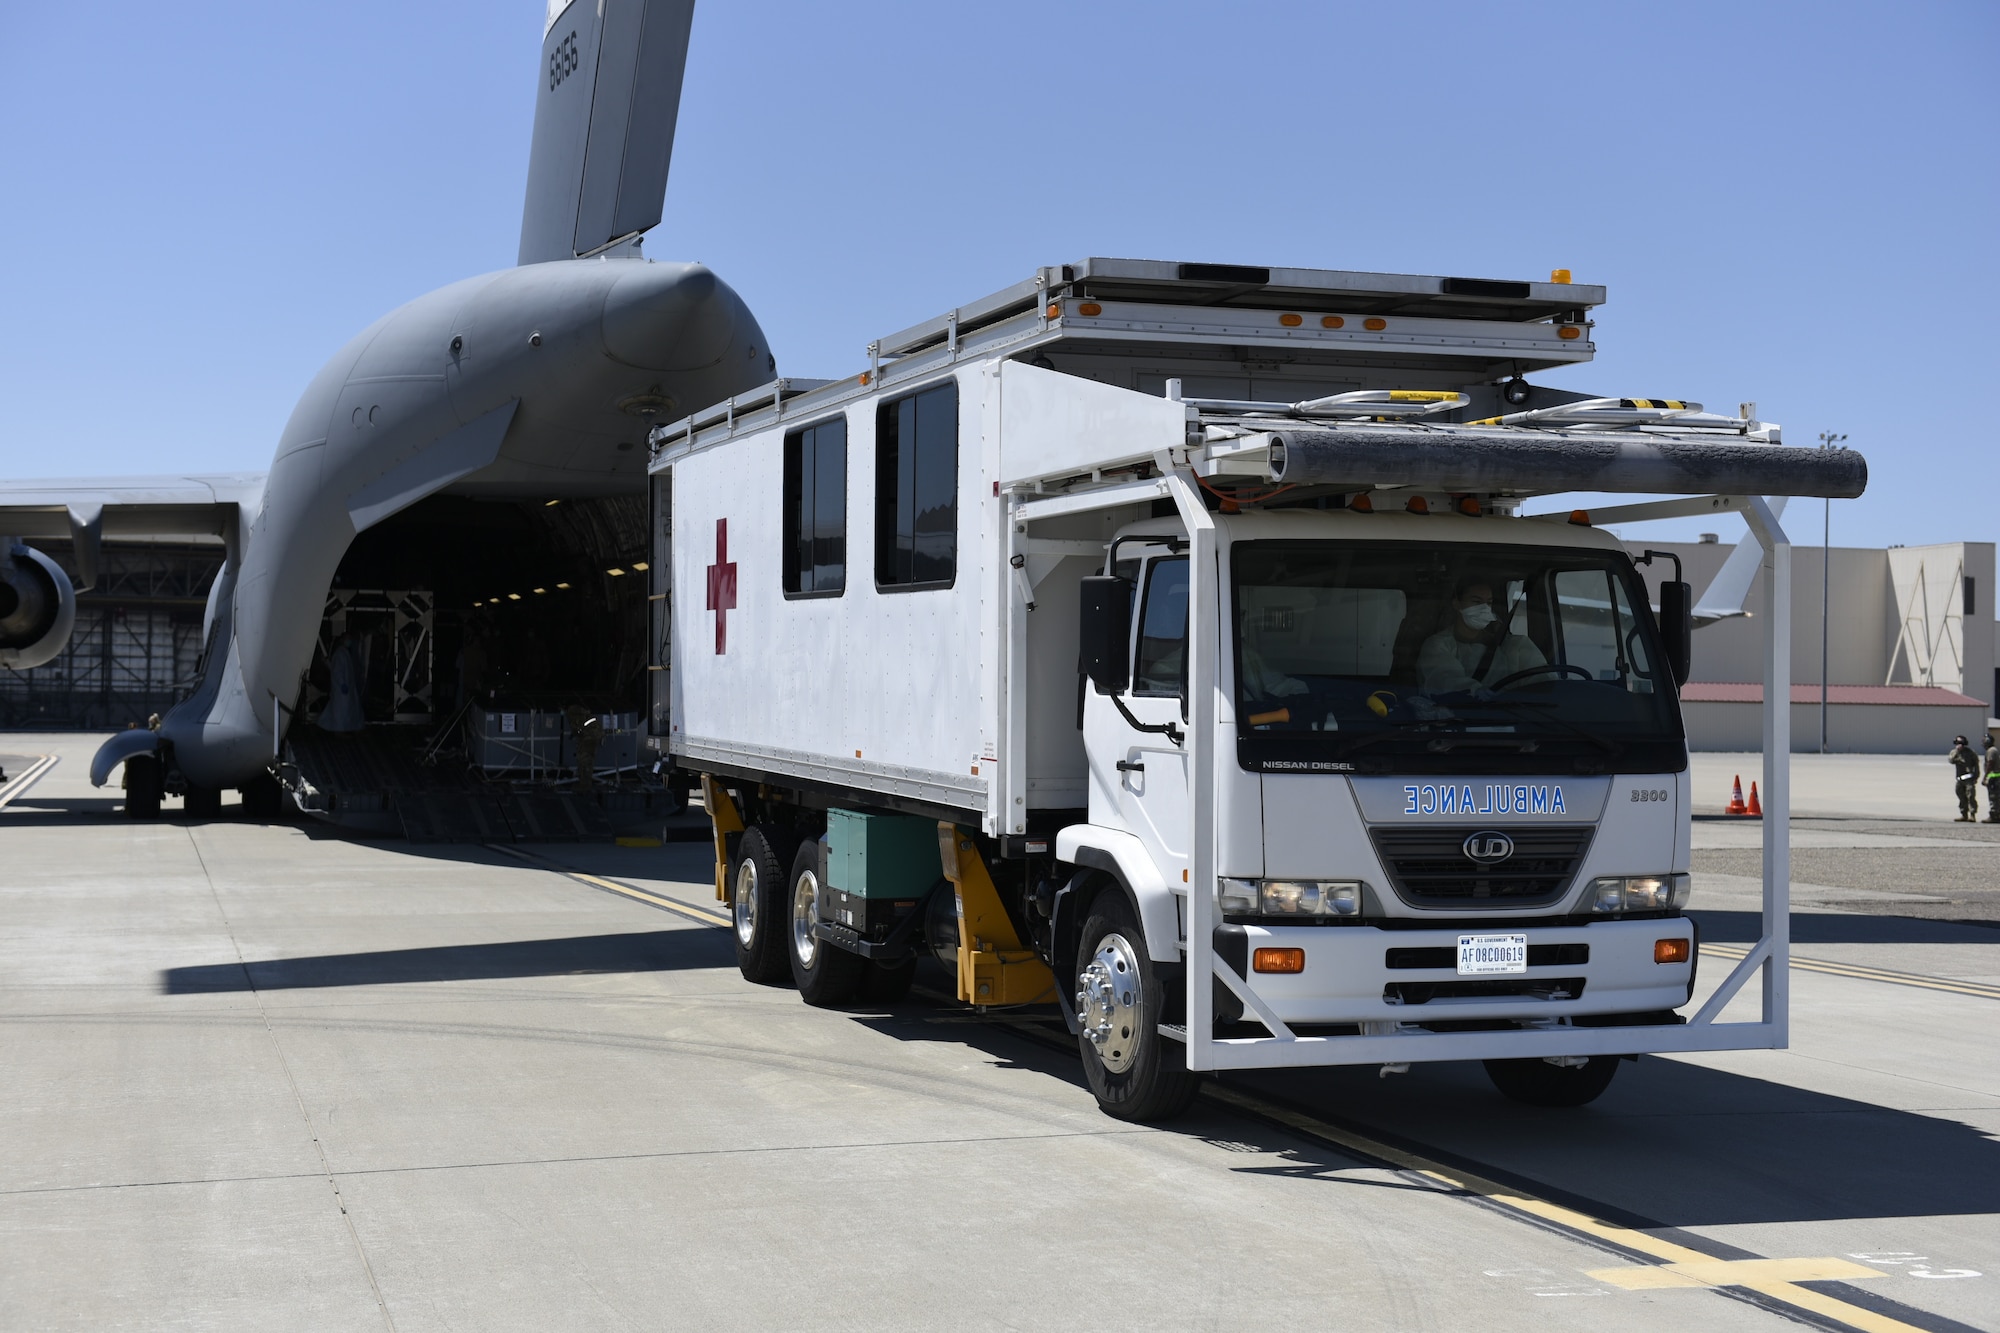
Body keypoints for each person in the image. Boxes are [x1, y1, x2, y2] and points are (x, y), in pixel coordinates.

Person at [1418, 577, 1546, 695]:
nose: (1484, 608)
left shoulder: (1515, 645)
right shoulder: (1438, 645)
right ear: (1457, 604)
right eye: (1476, 601)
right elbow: (1447, 681)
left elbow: (1544, 683)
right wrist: (1481, 694)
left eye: (1488, 603)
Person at [1948, 734, 1980, 822]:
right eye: (1958, 743)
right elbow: (1951, 760)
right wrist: (1957, 752)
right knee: (1961, 796)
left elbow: (1976, 765)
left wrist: (1976, 776)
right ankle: (1964, 814)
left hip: (1969, 778)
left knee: (1971, 796)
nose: (1960, 745)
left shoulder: (1971, 753)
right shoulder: (1954, 752)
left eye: (1961, 743)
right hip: (1959, 779)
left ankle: (1972, 815)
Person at [1984, 732, 2000, 824]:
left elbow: (1990, 763)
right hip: (1995, 777)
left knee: (1993, 797)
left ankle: (1994, 816)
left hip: (1994, 778)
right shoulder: (1994, 750)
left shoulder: (1991, 751)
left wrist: (1985, 776)